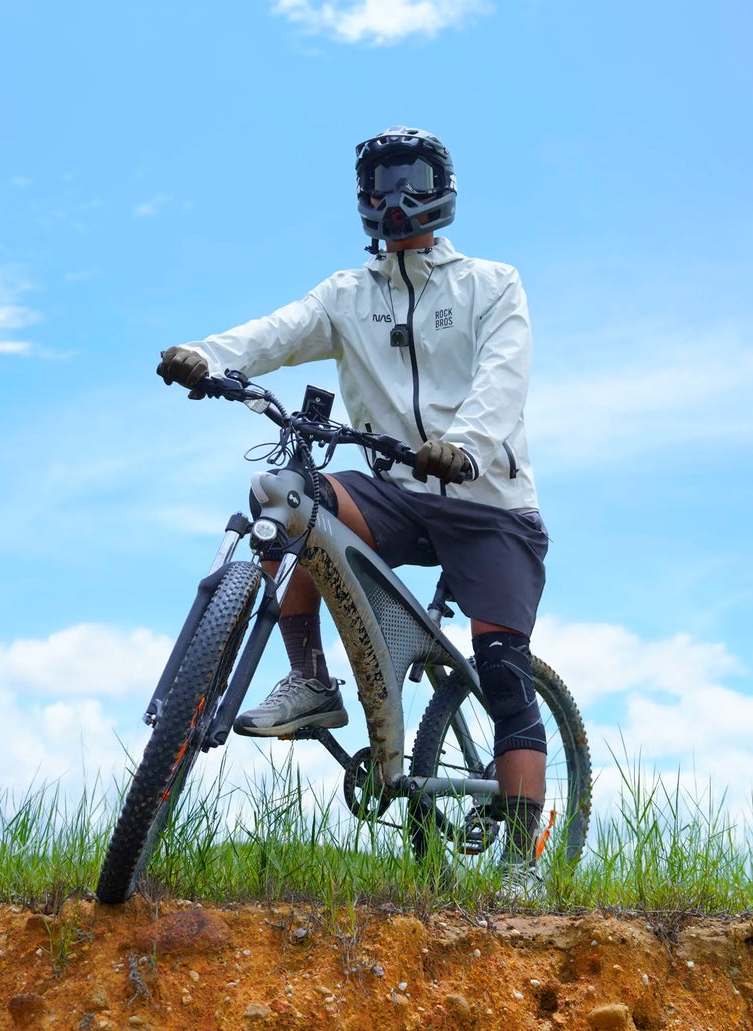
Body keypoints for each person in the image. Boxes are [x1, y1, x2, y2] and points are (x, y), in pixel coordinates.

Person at [155, 126, 551, 893]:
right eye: (378, 183)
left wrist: (463, 444)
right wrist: (209, 358)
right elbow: (276, 333)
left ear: (441, 187)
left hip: (488, 500)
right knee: (291, 498)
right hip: (394, 493)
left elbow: (503, 379)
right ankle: (311, 680)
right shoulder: (347, 295)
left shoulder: (492, 284)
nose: (394, 197)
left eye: (411, 179)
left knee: (504, 672)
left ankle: (522, 862)